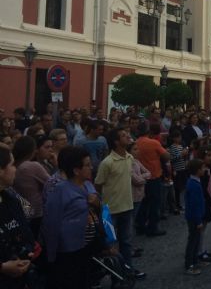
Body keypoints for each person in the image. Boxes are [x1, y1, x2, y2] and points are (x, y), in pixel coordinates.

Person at [94, 128, 145, 280]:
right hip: (109, 210)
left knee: (127, 242)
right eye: (123, 135)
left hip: (127, 206)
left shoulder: (129, 157)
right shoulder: (107, 162)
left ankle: (128, 270)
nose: (128, 136)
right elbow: (98, 184)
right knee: (111, 245)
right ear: (116, 142)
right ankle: (116, 274)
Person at [41, 146, 94, 289]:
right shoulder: (59, 190)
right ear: (76, 170)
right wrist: (51, 256)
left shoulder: (88, 185)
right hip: (67, 252)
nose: (91, 167)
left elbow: (100, 211)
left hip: (85, 246)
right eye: (87, 165)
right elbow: (51, 224)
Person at [0, 143, 36, 289]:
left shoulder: (12, 199)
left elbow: (26, 234)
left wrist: (24, 257)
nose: (16, 169)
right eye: (12, 164)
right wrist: (2, 267)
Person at [134, 123, 169, 237]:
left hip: (140, 176)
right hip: (154, 175)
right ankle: (153, 227)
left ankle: (140, 226)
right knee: (154, 203)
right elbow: (166, 156)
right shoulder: (153, 143)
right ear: (148, 132)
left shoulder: (135, 143)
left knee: (143, 203)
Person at [12, 136, 50, 239]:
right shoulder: (32, 166)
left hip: (20, 212)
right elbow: (52, 184)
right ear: (33, 151)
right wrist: (56, 166)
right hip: (36, 213)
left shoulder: (13, 166)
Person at [184, 158, 207, 276]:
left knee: (196, 240)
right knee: (193, 241)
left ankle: (194, 261)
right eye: (203, 168)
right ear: (198, 170)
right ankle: (189, 265)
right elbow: (194, 205)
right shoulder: (194, 185)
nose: (205, 170)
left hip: (195, 217)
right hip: (194, 218)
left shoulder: (194, 182)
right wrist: (198, 221)